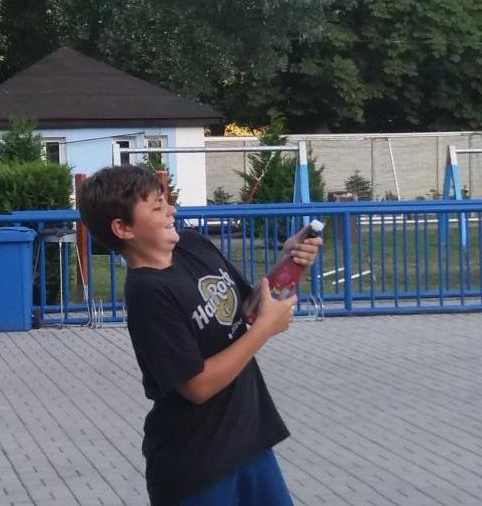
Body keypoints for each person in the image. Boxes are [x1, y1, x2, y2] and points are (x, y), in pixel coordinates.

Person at [78, 166, 322, 506]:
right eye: (157, 207)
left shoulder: (193, 245)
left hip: (250, 442)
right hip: (197, 465)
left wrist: (289, 261)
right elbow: (197, 386)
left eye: (166, 201)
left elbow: (248, 307)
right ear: (123, 229)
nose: (171, 210)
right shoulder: (148, 292)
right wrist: (264, 330)